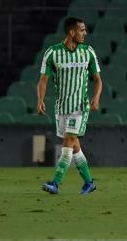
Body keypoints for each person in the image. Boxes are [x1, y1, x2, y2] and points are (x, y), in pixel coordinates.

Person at [38, 17, 102, 195]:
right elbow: (43, 80)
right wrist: (40, 100)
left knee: (67, 141)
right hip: (61, 107)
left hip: (80, 107)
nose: (85, 33)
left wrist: (96, 98)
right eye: (82, 30)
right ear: (72, 32)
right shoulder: (52, 53)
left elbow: (98, 80)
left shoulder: (88, 52)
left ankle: (55, 183)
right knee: (74, 146)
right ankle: (89, 182)